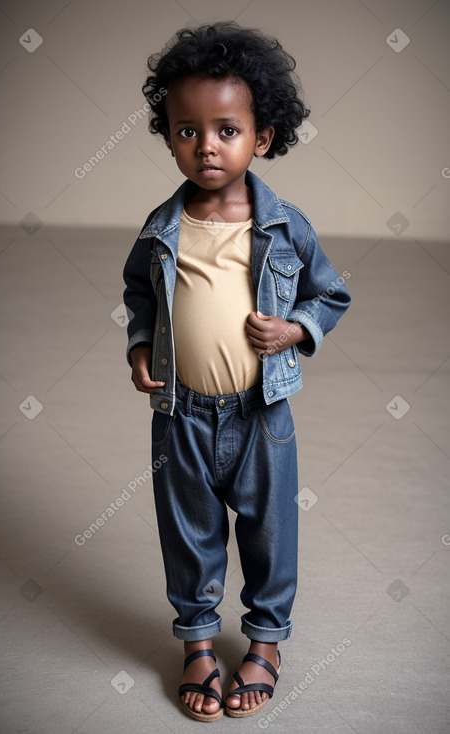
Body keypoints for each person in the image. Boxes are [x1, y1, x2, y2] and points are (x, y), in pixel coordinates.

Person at [123, 21, 351, 722]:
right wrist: (139, 348)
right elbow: (139, 297)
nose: (206, 145)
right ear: (167, 135)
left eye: (226, 129)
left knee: (268, 531)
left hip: (259, 414)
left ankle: (263, 642)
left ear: (264, 137)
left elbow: (329, 295)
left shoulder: (286, 227)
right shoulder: (163, 229)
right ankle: (195, 641)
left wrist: (294, 329)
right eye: (186, 129)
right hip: (181, 413)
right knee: (186, 530)